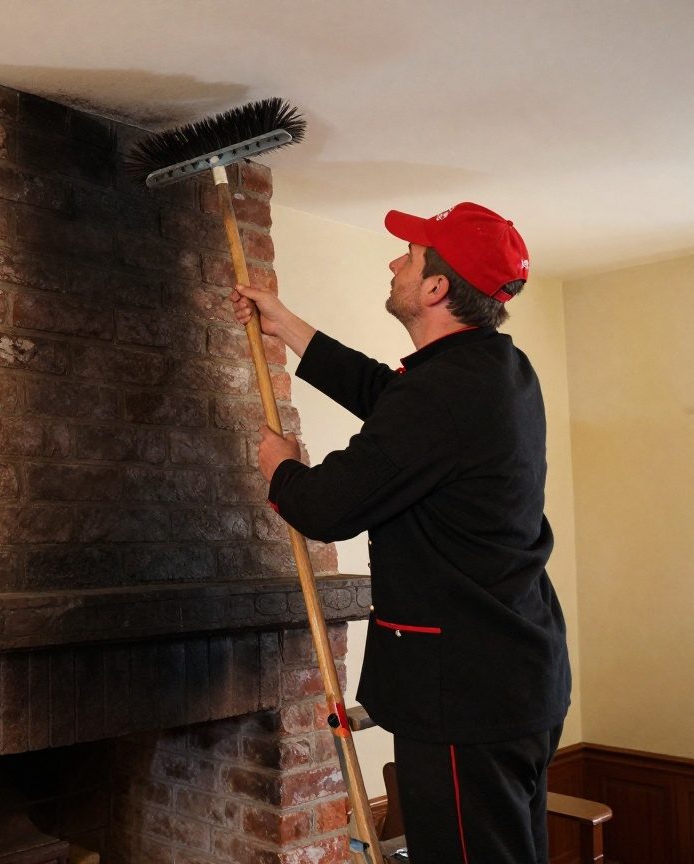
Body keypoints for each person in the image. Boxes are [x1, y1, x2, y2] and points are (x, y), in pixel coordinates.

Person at [231, 202, 571, 864]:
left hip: (464, 696)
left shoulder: (442, 394)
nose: (395, 263)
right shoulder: (494, 370)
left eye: (409, 257)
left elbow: (327, 507)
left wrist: (282, 467)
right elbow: (391, 398)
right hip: (513, 678)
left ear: (437, 288)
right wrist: (288, 325)